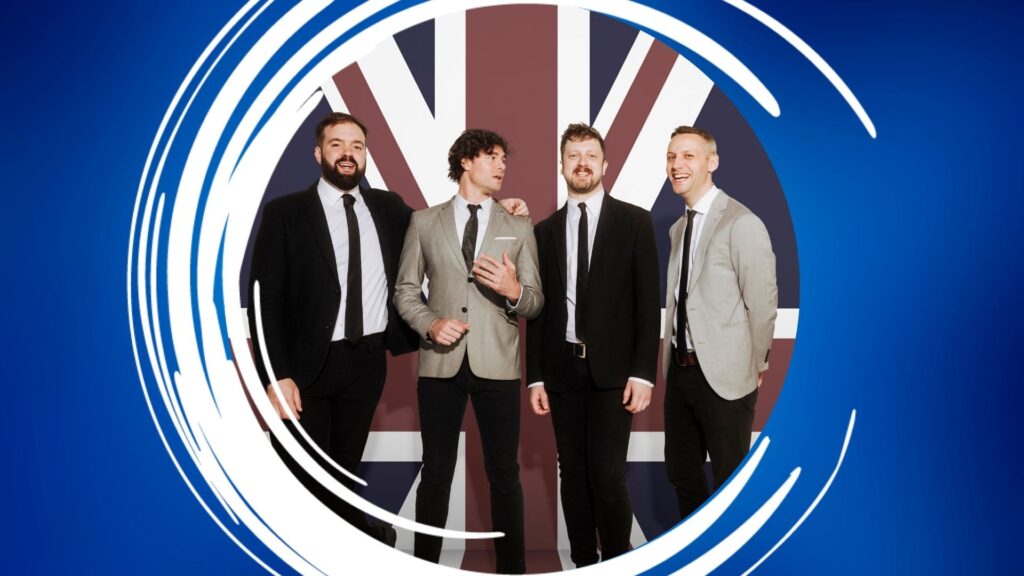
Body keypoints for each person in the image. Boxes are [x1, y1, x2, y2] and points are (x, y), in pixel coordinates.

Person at [247, 113, 529, 546]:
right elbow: (264, 299)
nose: (348, 153)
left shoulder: (388, 207)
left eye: (357, 146)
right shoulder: (285, 213)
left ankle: (345, 549)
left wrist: (499, 209)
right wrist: (275, 374)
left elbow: (448, 226)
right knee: (301, 475)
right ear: (319, 153)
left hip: (365, 363)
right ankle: (332, 543)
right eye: (337, 144)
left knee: (343, 470)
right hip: (304, 367)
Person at [394, 129, 543, 574]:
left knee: (504, 476)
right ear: (464, 162)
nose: (501, 166)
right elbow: (404, 290)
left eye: (503, 159)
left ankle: (512, 569)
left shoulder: (518, 223)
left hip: (497, 363)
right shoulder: (423, 221)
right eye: (491, 157)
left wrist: (515, 290)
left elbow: (535, 301)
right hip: (439, 365)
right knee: (436, 474)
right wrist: (430, 323)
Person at [525, 124, 660, 566]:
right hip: (562, 370)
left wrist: (643, 373)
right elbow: (540, 310)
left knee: (606, 475)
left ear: (605, 164)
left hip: (614, 373)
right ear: (562, 166)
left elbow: (648, 304)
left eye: (590, 155)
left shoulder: (635, 221)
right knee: (573, 474)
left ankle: (619, 563)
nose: (581, 163)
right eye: (573, 156)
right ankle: (583, 562)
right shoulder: (543, 231)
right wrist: (536, 377)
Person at [660, 126, 778, 520]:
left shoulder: (741, 222)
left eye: (688, 156)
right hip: (680, 374)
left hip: (725, 378)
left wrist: (755, 364)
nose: (677, 165)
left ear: (712, 162)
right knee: (682, 476)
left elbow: (762, 304)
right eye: (672, 156)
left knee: (730, 484)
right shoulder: (678, 229)